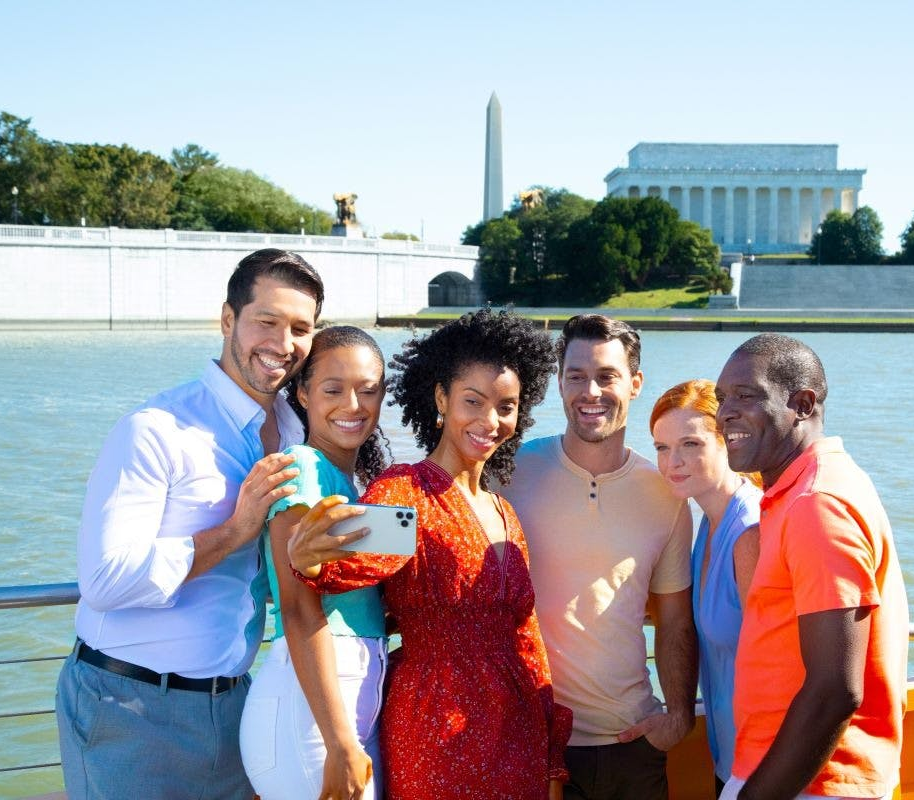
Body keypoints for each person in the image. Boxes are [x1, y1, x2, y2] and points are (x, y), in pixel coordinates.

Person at [55, 248, 324, 798]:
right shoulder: (156, 430)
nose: (284, 342)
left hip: (237, 707)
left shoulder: (301, 433)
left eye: (301, 327)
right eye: (266, 321)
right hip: (129, 708)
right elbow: (104, 581)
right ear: (228, 320)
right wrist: (234, 530)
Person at [286, 308, 572, 800]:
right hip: (436, 725)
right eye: (473, 401)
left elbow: (528, 640)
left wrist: (550, 762)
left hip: (519, 731)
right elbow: (349, 565)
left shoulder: (505, 513)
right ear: (442, 398)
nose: (490, 420)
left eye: (506, 406)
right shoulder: (405, 492)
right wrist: (309, 559)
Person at [503, 314, 697, 800]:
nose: (591, 391)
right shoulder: (510, 472)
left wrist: (676, 716)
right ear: (560, 383)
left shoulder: (666, 491)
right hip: (533, 737)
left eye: (607, 376)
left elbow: (674, 619)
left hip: (632, 742)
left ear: (634, 384)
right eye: (576, 376)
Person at [714, 333, 908, 800]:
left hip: (813, 783)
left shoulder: (816, 504)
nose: (724, 414)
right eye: (722, 398)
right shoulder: (800, 489)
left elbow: (834, 690)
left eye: (746, 396)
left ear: (802, 404)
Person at [239, 326, 392, 800]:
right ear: (302, 393)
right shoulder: (302, 466)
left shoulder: (356, 487)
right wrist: (340, 741)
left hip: (341, 710)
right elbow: (300, 608)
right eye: (333, 389)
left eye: (368, 390)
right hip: (317, 719)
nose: (353, 404)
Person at [649, 379, 763, 796]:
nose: (672, 462)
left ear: (727, 442)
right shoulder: (705, 525)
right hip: (729, 760)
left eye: (691, 444)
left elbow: (781, 669)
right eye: (662, 447)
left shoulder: (749, 531)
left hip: (765, 771)